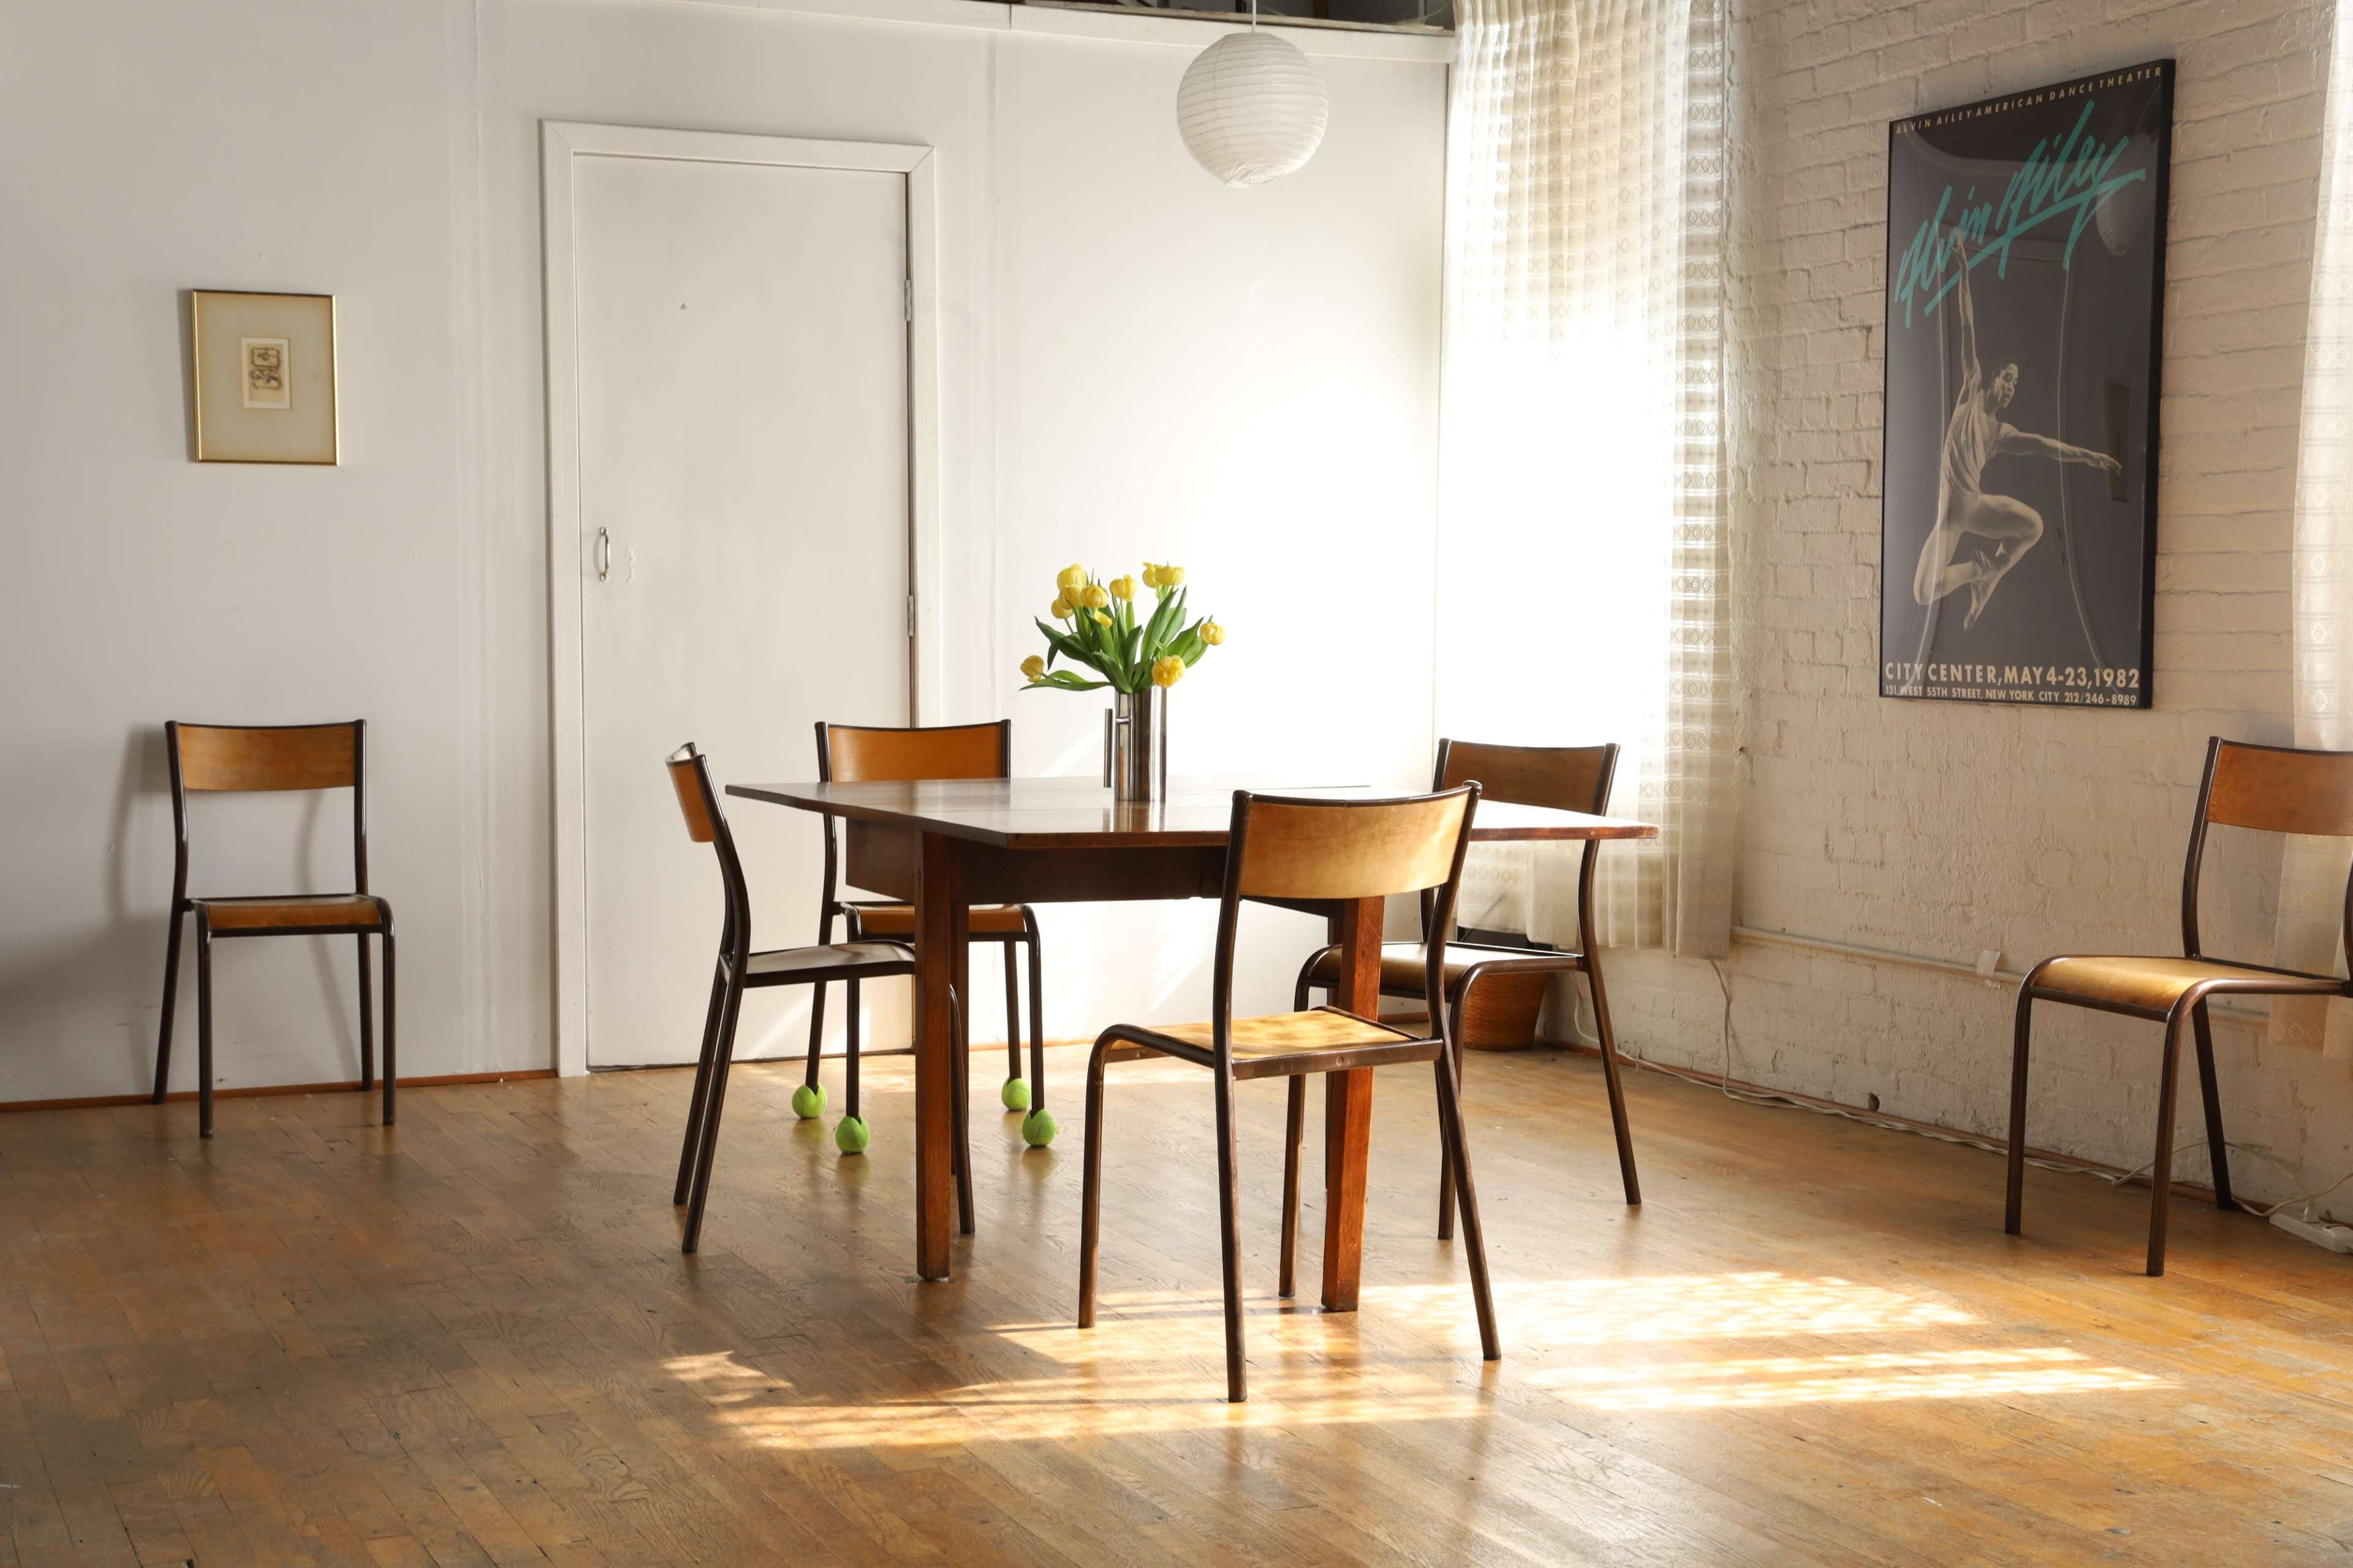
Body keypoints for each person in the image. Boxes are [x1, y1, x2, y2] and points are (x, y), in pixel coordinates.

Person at [1911, 229, 2122, 629]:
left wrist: (2089, 456)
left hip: (1974, 507)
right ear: (1993, 377)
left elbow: (2044, 445)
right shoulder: (1971, 389)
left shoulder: (2001, 433)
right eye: (2008, 378)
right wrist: (1963, 269)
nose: (2011, 387)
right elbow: (1967, 324)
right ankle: (1979, 571)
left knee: (2034, 527)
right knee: (1923, 592)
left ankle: (1991, 576)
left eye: (2017, 384)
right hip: (1951, 519)